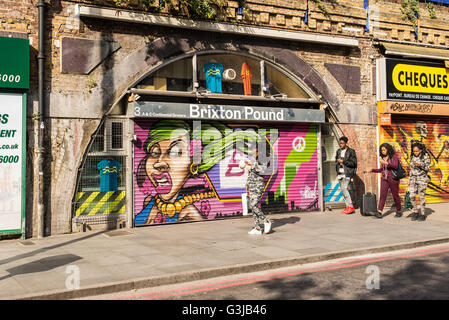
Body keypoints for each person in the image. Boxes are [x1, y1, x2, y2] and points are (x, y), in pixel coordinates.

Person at [240, 146, 272, 235]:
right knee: (252, 206)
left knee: (254, 205)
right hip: (251, 184)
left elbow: (262, 170)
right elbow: (250, 173)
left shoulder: (264, 159)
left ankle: (266, 221)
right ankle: (257, 228)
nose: (253, 151)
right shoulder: (254, 159)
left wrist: (251, 165)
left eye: (254, 149)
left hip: (258, 185)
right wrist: (247, 185)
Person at [368, 143, 402, 219]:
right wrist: (373, 170)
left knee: (395, 195)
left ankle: (399, 210)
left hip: (393, 179)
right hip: (384, 179)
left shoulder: (393, 157)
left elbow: (395, 166)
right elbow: (382, 169)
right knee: (382, 195)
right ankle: (379, 211)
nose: (382, 151)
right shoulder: (383, 158)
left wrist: (386, 163)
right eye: (381, 150)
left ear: (388, 149)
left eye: (384, 150)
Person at [409, 142, 431, 221]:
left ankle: (422, 213)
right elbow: (411, 169)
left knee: (421, 197)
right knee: (411, 196)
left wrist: (420, 165)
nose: (415, 153)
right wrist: (410, 179)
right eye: (414, 151)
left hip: (422, 179)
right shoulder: (411, 157)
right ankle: (415, 211)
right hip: (413, 179)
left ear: (421, 150)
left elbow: (428, 169)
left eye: (417, 151)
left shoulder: (425, 157)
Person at [335, 136, 357, 214]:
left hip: (347, 173)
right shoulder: (338, 151)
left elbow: (354, 163)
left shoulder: (351, 151)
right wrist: (337, 162)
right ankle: (347, 207)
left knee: (344, 189)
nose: (340, 144)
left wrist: (343, 161)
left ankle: (351, 206)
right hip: (340, 173)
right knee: (343, 191)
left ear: (346, 143)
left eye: (342, 143)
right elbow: (336, 160)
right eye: (340, 143)